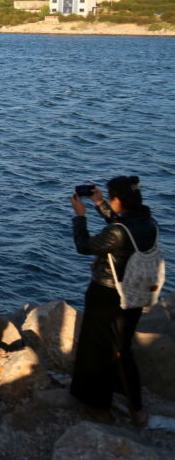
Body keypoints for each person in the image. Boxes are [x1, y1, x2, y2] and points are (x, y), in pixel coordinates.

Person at [69, 176, 159, 427]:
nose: (107, 200)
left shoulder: (118, 232)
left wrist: (80, 216)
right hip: (135, 293)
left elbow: (85, 246)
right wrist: (99, 204)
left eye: (109, 197)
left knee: (99, 350)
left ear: (118, 199)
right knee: (122, 349)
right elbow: (122, 228)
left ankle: (99, 408)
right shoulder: (148, 222)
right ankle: (135, 407)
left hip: (107, 295)